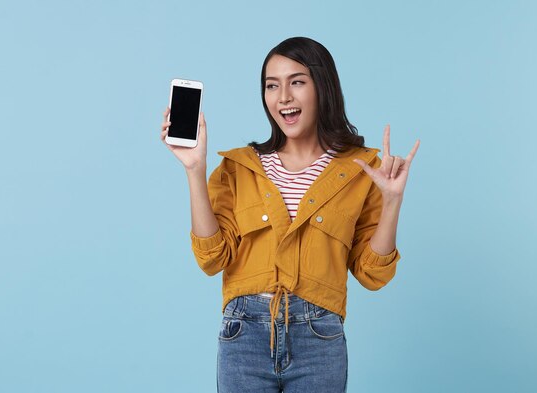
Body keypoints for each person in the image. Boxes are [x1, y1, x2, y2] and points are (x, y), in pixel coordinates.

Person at [160, 37, 419, 393]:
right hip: (244, 335)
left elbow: (373, 273)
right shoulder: (238, 167)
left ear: (322, 87)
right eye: (272, 85)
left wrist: (392, 201)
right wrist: (194, 169)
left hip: (319, 337)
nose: (283, 96)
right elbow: (213, 258)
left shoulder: (363, 170)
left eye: (296, 81)